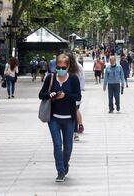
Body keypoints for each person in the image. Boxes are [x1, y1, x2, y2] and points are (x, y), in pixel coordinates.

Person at [38, 54, 81, 182]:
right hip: (54, 118)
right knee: (57, 145)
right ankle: (60, 171)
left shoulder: (73, 79)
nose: (60, 69)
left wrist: (65, 95)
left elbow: (78, 96)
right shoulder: (50, 78)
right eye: (58, 66)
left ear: (68, 67)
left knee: (67, 147)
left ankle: (65, 162)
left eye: (63, 67)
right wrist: (50, 95)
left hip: (69, 118)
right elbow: (41, 94)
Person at [65, 52, 85, 141]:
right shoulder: (79, 67)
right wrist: (80, 89)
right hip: (75, 94)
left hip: (67, 94)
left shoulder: (66, 67)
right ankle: (75, 132)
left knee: (70, 113)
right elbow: (82, 79)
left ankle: (73, 131)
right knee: (74, 111)